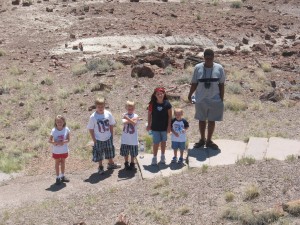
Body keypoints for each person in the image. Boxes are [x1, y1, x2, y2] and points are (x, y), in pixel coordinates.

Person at [188, 49, 225, 150]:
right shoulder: (198, 68)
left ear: (213, 57)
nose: (209, 60)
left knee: (212, 120)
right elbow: (194, 83)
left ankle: (209, 140)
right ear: (204, 57)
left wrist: (221, 98)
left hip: (215, 98)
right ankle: (202, 139)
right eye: (207, 58)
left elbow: (221, 84)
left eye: (211, 58)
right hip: (200, 99)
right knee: (201, 120)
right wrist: (190, 94)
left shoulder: (219, 68)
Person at [87, 98, 121, 174]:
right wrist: (94, 139)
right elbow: (90, 129)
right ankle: (100, 167)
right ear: (96, 106)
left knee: (109, 150)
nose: (100, 108)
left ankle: (111, 164)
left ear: (104, 106)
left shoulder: (108, 114)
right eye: (99, 107)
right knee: (99, 152)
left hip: (108, 137)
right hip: (98, 139)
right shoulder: (93, 117)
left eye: (102, 106)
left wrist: (111, 135)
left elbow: (111, 124)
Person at [146, 87, 172, 165]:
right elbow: (149, 115)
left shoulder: (167, 103)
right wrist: (149, 124)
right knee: (156, 143)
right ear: (155, 95)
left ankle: (163, 156)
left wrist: (169, 126)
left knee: (163, 142)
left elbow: (170, 116)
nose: (160, 95)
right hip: (155, 127)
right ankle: (154, 157)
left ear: (164, 94)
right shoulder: (152, 104)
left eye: (161, 94)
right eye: (158, 94)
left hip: (164, 127)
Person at [48, 115, 70, 185]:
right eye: (57, 122)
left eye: (61, 121)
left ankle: (62, 176)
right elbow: (49, 140)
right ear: (55, 122)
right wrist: (55, 143)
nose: (59, 123)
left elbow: (68, 140)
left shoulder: (66, 129)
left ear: (64, 122)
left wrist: (63, 142)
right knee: (57, 163)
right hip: (56, 151)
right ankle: (57, 178)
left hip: (64, 150)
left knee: (63, 162)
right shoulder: (53, 130)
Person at [120, 101, 139, 170]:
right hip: (125, 138)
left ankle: (132, 163)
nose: (130, 110)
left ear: (134, 108)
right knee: (125, 152)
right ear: (126, 108)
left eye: (132, 109)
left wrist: (127, 118)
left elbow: (134, 124)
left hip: (133, 139)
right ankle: (126, 163)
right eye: (129, 109)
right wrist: (131, 120)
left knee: (133, 152)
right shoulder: (124, 115)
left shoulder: (136, 115)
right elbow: (124, 122)